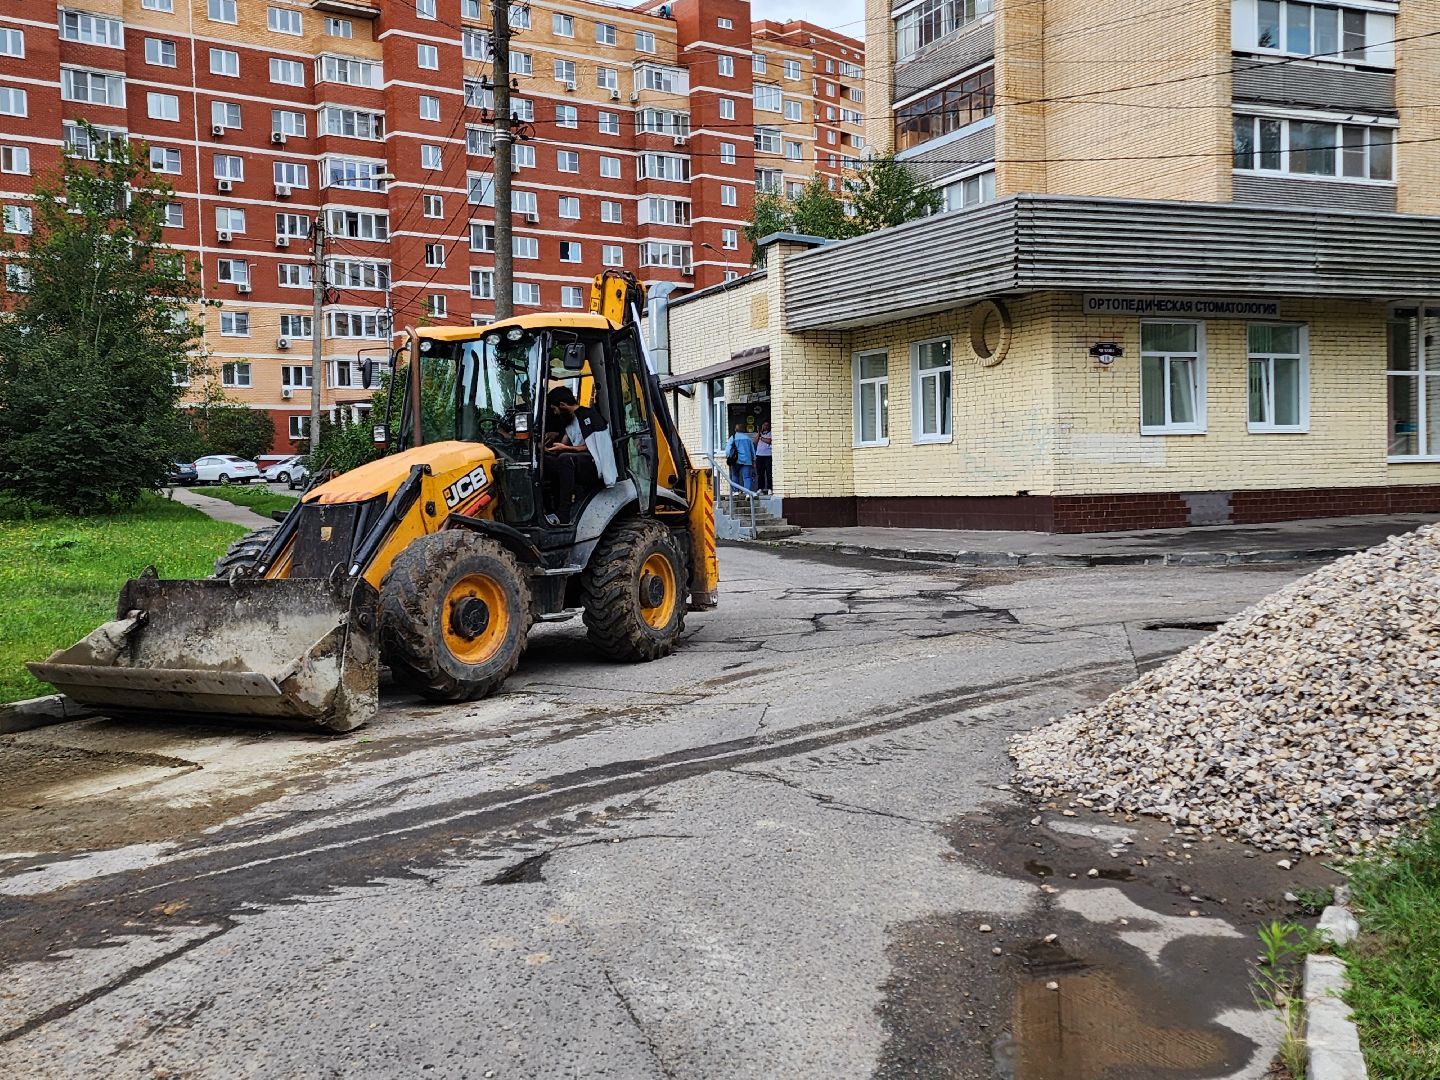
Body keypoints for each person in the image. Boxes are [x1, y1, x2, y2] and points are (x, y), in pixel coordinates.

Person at [544, 386, 617, 525]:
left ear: (562, 405)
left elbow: (594, 447)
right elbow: (564, 442)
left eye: (555, 409)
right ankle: (548, 508)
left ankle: (563, 514)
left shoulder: (589, 416)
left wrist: (566, 448)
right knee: (546, 461)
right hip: (577, 461)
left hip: (593, 464)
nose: (555, 413)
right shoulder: (569, 422)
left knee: (565, 459)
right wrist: (549, 449)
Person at [725, 423, 756, 492]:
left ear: (735, 430)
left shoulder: (733, 437)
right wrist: (754, 460)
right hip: (747, 461)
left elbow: (727, 450)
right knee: (747, 477)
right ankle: (747, 493)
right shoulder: (748, 438)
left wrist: (728, 456)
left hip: (736, 460)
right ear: (743, 430)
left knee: (735, 475)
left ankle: (736, 492)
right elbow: (752, 450)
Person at [753, 420, 773, 494]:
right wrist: (759, 433)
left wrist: (761, 438)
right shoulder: (760, 434)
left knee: (768, 472)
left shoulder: (771, 433)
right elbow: (755, 441)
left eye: (767, 425)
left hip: (768, 455)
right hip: (759, 455)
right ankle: (760, 488)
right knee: (760, 473)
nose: (766, 427)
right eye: (764, 425)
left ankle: (769, 488)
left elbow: (769, 441)